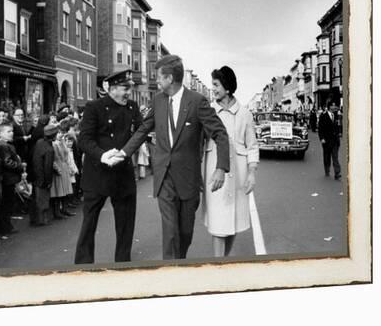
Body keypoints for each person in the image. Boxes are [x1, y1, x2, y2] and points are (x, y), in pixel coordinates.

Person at [117, 55, 230, 260]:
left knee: (184, 233)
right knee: (170, 231)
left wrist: (221, 168)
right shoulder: (158, 100)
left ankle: (179, 261)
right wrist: (124, 152)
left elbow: (220, 134)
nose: (157, 81)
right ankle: (171, 273)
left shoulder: (197, 102)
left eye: (159, 77)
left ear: (169, 78)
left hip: (188, 180)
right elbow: (144, 129)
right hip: (164, 177)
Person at [74, 69, 143, 264]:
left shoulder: (132, 107)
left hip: (123, 175)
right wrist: (102, 155)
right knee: (89, 225)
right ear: (111, 89)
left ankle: (122, 264)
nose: (128, 93)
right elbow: (84, 140)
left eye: (129, 88)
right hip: (98, 174)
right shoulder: (94, 107)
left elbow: (141, 132)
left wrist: (126, 152)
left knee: (126, 225)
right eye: (124, 88)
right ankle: (83, 268)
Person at [202, 66, 259, 257]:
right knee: (218, 223)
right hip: (215, 173)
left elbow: (252, 146)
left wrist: (251, 173)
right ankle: (220, 265)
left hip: (239, 175)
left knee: (234, 223)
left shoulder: (244, 114)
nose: (213, 89)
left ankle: (223, 260)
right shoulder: (208, 111)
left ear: (227, 87)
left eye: (216, 84)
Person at [0, 123, 23, 235]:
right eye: (8, 131)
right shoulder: (3, 146)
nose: (11, 133)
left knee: (7, 204)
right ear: (1, 133)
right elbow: (7, 162)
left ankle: (6, 227)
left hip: (9, 178)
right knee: (7, 204)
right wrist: (19, 166)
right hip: (7, 179)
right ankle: (5, 228)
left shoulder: (6, 145)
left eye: (12, 131)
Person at [31, 124, 58, 226]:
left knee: (37, 198)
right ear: (53, 135)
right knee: (43, 199)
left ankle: (36, 219)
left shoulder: (39, 142)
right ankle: (42, 220)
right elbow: (48, 167)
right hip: (43, 178)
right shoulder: (49, 149)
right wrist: (48, 181)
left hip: (36, 174)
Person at [50, 122, 75, 219]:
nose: (61, 135)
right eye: (59, 133)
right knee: (59, 191)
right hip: (59, 167)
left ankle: (64, 209)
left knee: (65, 190)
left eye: (61, 133)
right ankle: (57, 212)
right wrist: (57, 168)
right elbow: (54, 158)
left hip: (64, 166)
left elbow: (66, 155)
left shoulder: (62, 142)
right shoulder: (54, 144)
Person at [318, 99, 342, 180]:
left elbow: (337, 127)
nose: (334, 107)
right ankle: (327, 170)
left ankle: (337, 173)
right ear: (329, 107)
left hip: (335, 141)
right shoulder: (323, 116)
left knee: (335, 157)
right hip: (326, 141)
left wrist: (339, 135)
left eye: (334, 105)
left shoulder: (336, 115)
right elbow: (320, 128)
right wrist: (322, 138)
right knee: (327, 157)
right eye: (332, 105)